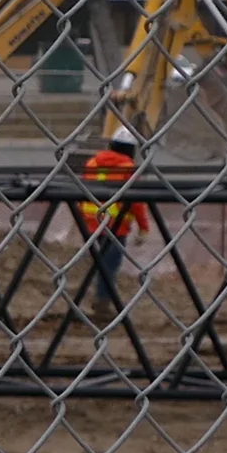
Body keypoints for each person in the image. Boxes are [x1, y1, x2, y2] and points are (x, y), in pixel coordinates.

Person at [78, 129, 150, 322]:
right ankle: (102, 304)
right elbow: (136, 201)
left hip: (91, 224)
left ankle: (93, 299)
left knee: (97, 263)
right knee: (110, 265)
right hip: (115, 226)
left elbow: (80, 192)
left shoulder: (92, 162)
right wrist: (144, 227)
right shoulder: (128, 167)